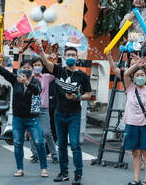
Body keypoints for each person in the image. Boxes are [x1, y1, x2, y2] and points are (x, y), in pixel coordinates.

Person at [37, 39, 91, 185]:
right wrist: (41, 50)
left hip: (74, 115)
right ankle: (64, 173)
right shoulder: (59, 70)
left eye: (73, 54)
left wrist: (78, 96)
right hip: (59, 114)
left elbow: (88, 95)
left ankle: (78, 174)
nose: (71, 56)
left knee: (74, 144)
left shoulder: (83, 76)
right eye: (68, 54)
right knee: (61, 145)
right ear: (64, 57)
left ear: (77, 58)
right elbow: (47, 64)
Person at [0, 55, 49, 178]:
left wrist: (26, 82)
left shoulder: (35, 81)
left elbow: (37, 90)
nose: (26, 69)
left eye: (28, 68)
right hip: (18, 119)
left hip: (32, 119)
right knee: (18, 143)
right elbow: (3, 72)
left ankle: (44, 168)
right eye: (24, 67)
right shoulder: (15, 80)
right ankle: (20, 168)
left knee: (39, 142)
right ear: (20, 69)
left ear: (32, 70)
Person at [123, 57, 146, 185]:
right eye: (137, 75)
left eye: (142, 75)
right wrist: (136, 65)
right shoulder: (130, 88)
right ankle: (136, 179)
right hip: (132, 124)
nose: (140, 76)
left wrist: (145, 65)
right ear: (133, 78)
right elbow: (126, 74)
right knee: (135, 153)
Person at [30, 57, 58, 164]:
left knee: (47, 132)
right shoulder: (29, 77)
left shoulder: (46, 77)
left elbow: (55, 71)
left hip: (44, 109)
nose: (37, 67)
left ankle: (54, 154)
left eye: (39, 65)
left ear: (42, 67)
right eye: (35, 65)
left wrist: (52, 60)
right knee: (34, 133)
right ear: (32, 66)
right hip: (32, 108)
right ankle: (35, 154)